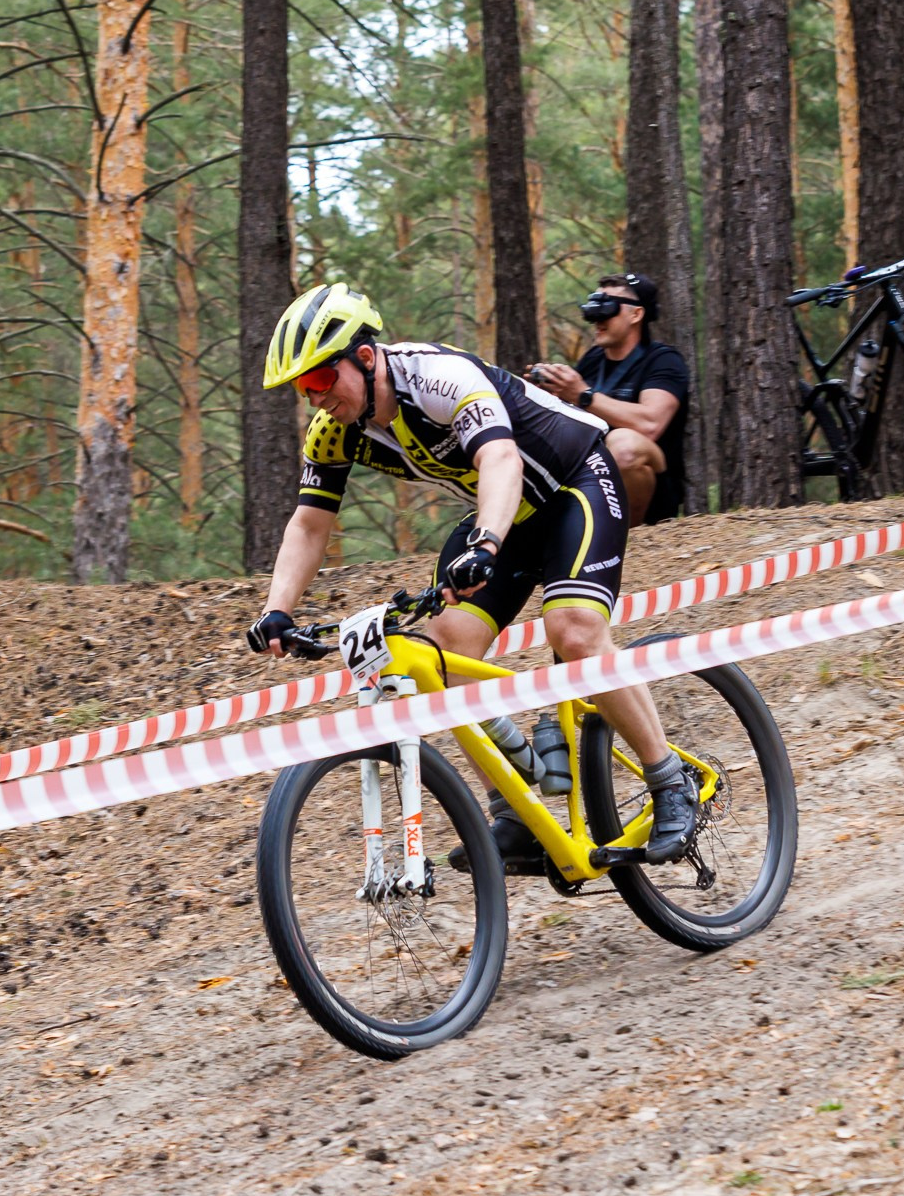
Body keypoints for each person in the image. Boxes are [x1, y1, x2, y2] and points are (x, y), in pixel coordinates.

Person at [242, 283, 700, 869]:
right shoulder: (334, 431)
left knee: (575, 632)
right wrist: (276, 609)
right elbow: (309, 525)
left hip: (573, 486)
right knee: (439, 654)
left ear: (362, 357)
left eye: (319, 381)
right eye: (303, 390)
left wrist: (486, 541)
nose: (315, 400)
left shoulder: (435, 377)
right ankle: (515, 813)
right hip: (505, 516)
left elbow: (499, 459)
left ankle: (670, 782)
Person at [530, 272, 689, 523]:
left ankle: (628, 537)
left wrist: (583, 396)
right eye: (595, 306)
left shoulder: (664, 361)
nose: (597, 320)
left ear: (636, 314)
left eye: (608, 308)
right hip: (591, 479)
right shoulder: (593, 360)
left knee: (623, 444)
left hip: (650, 490)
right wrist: (549, 394)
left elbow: (650, 424)